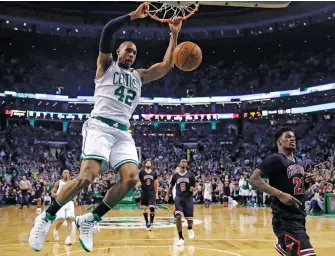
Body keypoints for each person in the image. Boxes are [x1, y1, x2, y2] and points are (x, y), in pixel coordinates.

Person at [28, 3, 182, 252]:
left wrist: (174, 34)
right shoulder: (105, 66)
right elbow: (108, 30)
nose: (130, 55)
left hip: (122, 131)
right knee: (87, 177)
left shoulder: (138, 76)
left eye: (134, 53)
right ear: (117, 51)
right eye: (127, 50)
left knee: (132, 179)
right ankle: (45, 217)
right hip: (99, 125)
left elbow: (166, 65)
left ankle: (90, 219)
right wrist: (134, 15)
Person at [250, 127, 316, 256]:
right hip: (284, 218)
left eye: (293, 137)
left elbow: (299, 190)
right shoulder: (275, 159)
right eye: (287, 136)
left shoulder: (300, 162)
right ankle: (284, 245)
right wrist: (280, 194)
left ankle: (284, 246)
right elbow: (254, 179)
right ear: (278, 142)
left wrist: (309, 183)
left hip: (299, 215)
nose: (292, 138)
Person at [165, 159, 196, 246]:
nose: (183, 162)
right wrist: (167, 194)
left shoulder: (191, 175)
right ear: (179, 163)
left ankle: (190, 228)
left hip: (188, 198)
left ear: (186, 164)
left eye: (185, 161)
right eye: (181, 161)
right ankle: (180, 238)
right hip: (179, 198)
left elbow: (196, 185)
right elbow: (171, 186)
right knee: (178, 216)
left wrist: (194, 188)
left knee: (190, 219)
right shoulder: (175, 175)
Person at [52, 170, 75, 245]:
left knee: (70, 220)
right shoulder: (58, 182)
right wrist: (60, 195)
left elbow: (74, 192)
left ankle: (68, 238)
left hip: (69, 202)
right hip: (60, 202)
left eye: (68, 173)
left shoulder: (72, 182)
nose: (66, 174)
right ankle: (55, 229)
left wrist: (75, 200)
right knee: (61, 220)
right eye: (65, 172)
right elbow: (53, 194)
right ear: (62, 174)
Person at [139, 159, 158, 230]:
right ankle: (147, 222)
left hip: (152, 192)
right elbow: (138, 181)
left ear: (151, 164)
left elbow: (156, 183)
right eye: (147, 163)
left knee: (152, 207)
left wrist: (157, 193)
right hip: (144, 192)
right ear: (145, 164)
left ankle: (151, 222)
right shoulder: (141, 172)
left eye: (150, 163)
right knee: (145, 208)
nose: (148, 164)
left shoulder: (154, 173)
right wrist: (138, 184)